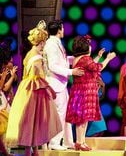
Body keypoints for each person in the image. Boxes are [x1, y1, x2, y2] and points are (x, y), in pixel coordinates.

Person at [5, 21, 62, 156]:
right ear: (42, 42)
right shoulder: (37, 57)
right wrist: (50, 90)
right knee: (35, 121)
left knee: (29, 121)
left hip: (25, 89)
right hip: (35, 90)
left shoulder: (29, 54)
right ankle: (30, 152)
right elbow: (39, 77)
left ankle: (34, 151)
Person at [65, 35, 116, 151]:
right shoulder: (85, 59)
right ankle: (79, 141)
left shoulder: (80, 59)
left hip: (81, 91)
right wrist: (108, 58)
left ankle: (82, 141)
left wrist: (98, 56)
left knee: (84, 118)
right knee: (81, 119)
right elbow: (98, 67)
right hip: (84, 93)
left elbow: (91, 65)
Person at [45, 20, 84, 150]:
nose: (64, 30)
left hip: (61, 84)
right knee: (59, 114)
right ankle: (54, 142)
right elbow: (52, 66)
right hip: (55, 85)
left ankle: (68, 141)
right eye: (63, 28)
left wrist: (77, 59)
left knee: (66, 113)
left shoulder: (56, 43)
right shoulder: (51, 45)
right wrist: (71, 71)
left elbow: (62, 60)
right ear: (59, 30)